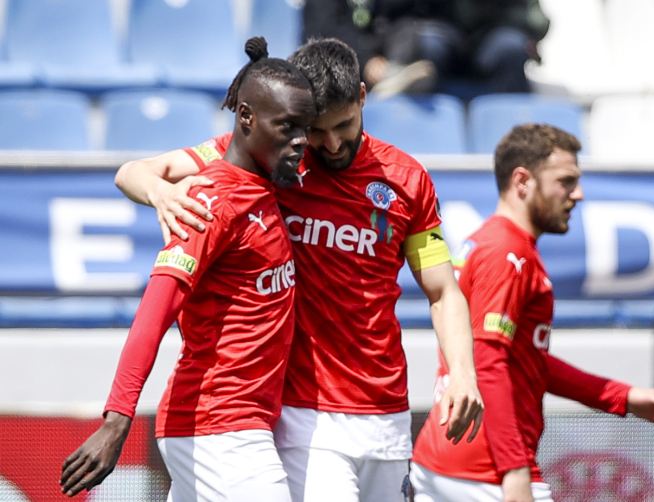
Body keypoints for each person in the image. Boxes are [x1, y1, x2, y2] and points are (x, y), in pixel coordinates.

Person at [114, 37, 483, 502]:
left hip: (387, 412)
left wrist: (462, 373)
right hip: (303, 416)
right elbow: (134, 171)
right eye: (317, 131)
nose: (331, 144)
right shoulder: (277, 159)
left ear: (362, 98)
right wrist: (162, 194)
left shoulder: (407, 180)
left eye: (344, 126)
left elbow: (443, 292)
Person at [59, 39, 316, 500]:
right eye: (288, 127)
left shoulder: (263, 178)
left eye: (305, 128)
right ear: (246, 118)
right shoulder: (210, 204)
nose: (302, 141)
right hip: (222, 428)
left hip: (227, 426)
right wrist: (117, 419)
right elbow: (154, 311)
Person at [409, 124, 654, 502]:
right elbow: (487, 361)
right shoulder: (508, 252)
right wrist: (514, 468)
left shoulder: (490, 241)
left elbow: (523, 358)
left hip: (448, 456)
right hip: (483, 468)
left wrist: (622, 396)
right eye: (566, 182)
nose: (578, 194)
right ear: (523, 181)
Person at [302, 0, 550, 97]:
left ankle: (511, 134)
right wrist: (366, 62)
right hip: (350, 63)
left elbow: (531, 15)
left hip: (489, 34)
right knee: (429, 44)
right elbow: (325, 27)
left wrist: (526, 32)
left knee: (510, 48)